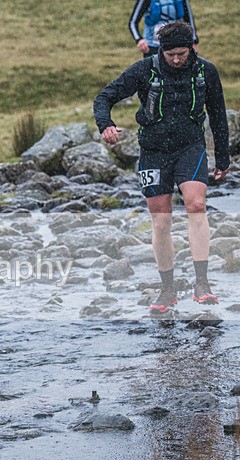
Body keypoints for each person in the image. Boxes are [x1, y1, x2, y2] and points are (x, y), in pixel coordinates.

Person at [93, 21, 229, 315]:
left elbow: (218, 114)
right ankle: (167, 288)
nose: (177, 59)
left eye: (182, 53)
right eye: (171, 55)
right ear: (161, 51)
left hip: (190, 147)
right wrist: (106, 125)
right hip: (153, 151)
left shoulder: (206, 71)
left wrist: (224, 157)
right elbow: (104, 97)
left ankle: (202, 283)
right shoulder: (144, 70)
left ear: (191, 47)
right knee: (161, 221)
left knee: (196, 204)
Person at [129, 0, 198, 57]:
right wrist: (139, 40)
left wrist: (194, 41)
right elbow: (132, 22)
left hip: (177, 45)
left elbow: (189, 19)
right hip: (153, 46)